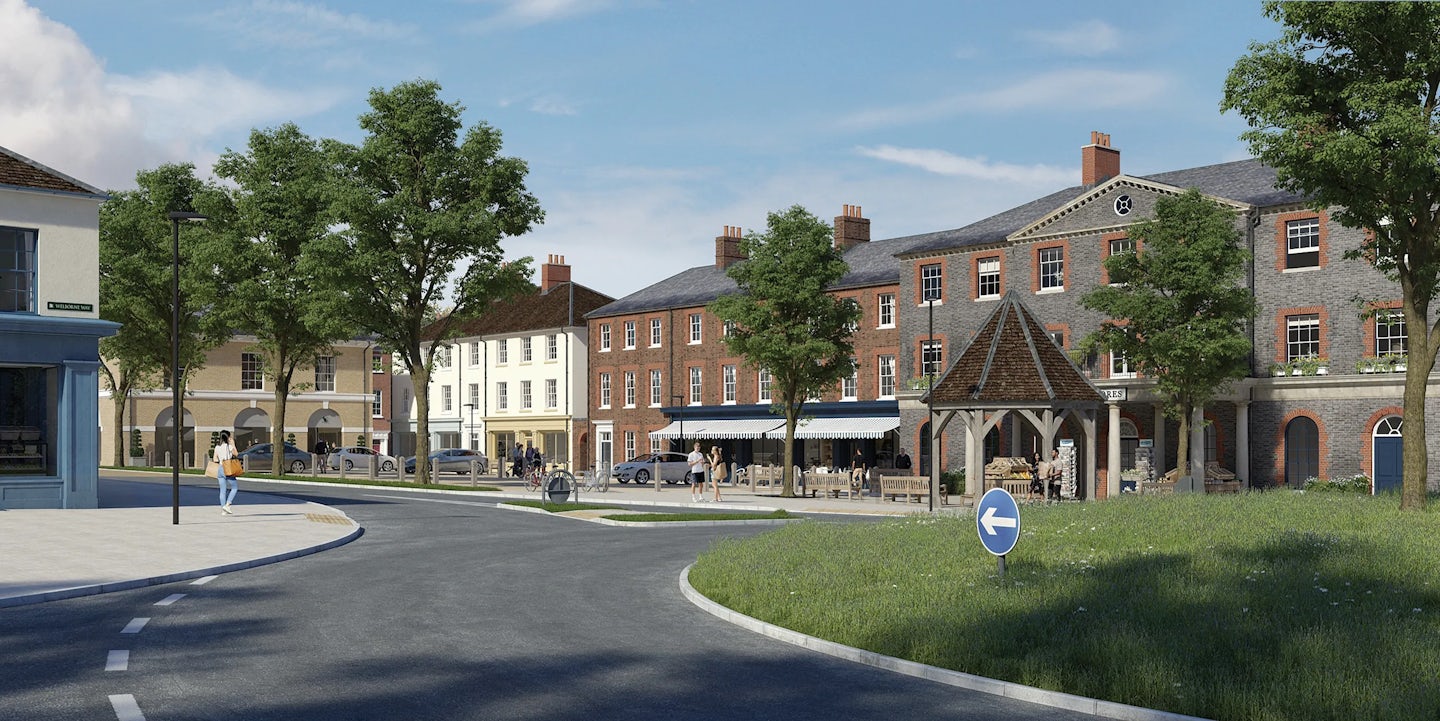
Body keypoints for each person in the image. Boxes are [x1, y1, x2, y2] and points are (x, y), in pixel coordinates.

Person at [214, 430, 239, 515]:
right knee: (234, 487)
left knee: (222, 490)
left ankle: (223, 510)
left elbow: (215, 459)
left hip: (220, 468)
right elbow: (236, 454)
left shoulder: (217, 447)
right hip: (228, 468)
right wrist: (233, 444)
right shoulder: (229, 446)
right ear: (228, 437)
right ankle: (228, 504)